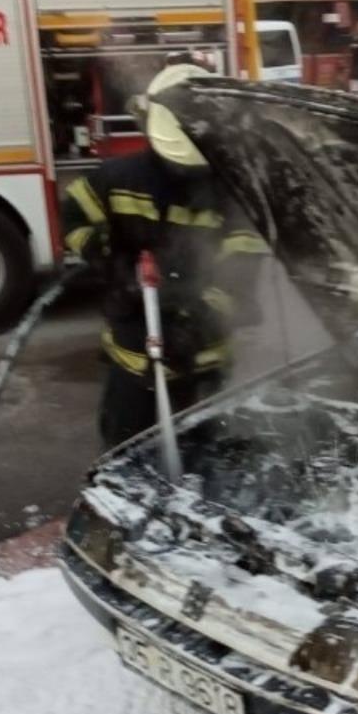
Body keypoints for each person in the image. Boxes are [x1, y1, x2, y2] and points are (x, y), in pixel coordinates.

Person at [60, 64, 270, 449]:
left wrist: (198, 324)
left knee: (203, 461)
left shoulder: (231, 193)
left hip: (202, 363)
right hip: (132, 357)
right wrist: (106, 258)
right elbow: (72, 214)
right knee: (126, 455)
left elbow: (241, 277)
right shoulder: (118, 178)